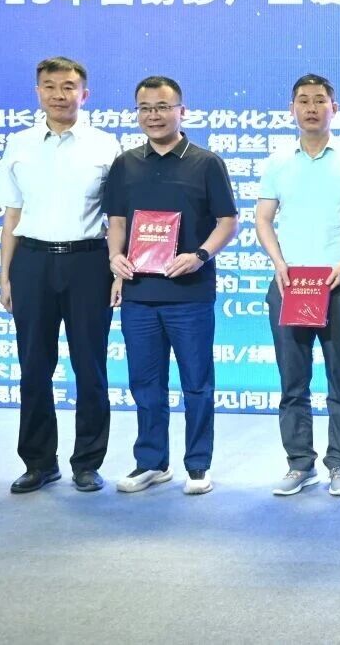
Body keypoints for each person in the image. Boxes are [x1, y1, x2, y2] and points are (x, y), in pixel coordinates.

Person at [0, 56, 122, 494]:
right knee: (33, 366)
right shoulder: (20, 144)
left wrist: (117, 267)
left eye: (68, 87)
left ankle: (87, 462)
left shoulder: (105, 146)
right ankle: (38, 462)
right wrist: (5, 274)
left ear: (85, 94)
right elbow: (12, 214)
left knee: (90, 367)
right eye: (49, 86)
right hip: (31, 262)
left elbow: (118, 217)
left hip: (88, 263)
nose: (59, 95)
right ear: (38, 92)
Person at [106, 76, 238, 496]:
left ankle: (197, 465)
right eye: (145, 108)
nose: (154, 115)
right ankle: (151, 462)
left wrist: (200, 255)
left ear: (182, 110)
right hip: (139, 294)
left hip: (189, 294)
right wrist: (114, 259)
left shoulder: (206, 162)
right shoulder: (125, 164)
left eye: (163, 107)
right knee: (145, 383)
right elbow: (117, 222)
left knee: (197, 383)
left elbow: (228, 222)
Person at [256, 75, 340, 497]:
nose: (311, 108)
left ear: (334, 108)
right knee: (293, 381)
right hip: (290, 285)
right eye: (303, 101)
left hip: (338, 285)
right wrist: (279, 263)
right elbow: (263, 218)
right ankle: (299, 464)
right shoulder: (277, 161)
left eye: (319, 100)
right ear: (291, 109)